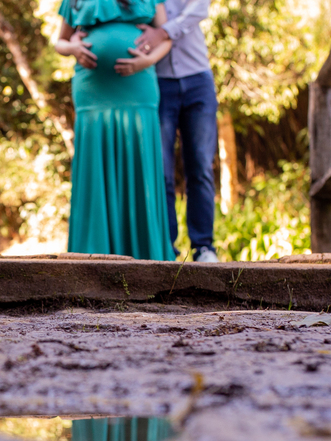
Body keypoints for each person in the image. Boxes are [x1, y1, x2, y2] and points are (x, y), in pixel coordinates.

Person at [54, 0, 177, 260]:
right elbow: (59, 42)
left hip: (138, 88)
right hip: (93, 93)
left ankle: (146, 257)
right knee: (94, 164)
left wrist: (147, 61)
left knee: (140, 163)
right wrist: (74, 48)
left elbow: (167, 37)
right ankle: (92, 259)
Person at [134, 0, 219, 263]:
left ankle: (203, 247)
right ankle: (166, 248)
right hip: (158, 83)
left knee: (201, 166)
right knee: (161, 172)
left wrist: (163, 31)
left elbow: (199, 9)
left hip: (198, 79)